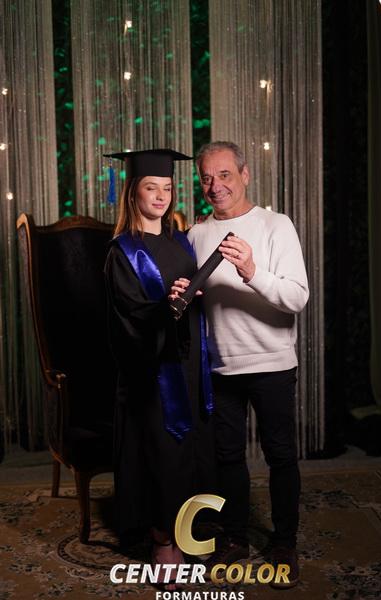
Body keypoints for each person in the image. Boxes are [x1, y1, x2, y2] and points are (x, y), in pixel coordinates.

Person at [173, 141, 309, 588]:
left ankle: (284, 542)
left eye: (225, 175)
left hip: (272, 363)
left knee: (280, 455)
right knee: (227, 457)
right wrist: (182, 293)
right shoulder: (196, 235)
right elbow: (193, 302)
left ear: (245, 175)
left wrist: (252, 272)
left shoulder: (276, 225)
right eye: (207, 178)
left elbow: (297, 298)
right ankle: (234, 538)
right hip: (221, 367)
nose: (216, 186)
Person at [103, 149, 214, 588]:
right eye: (151, 188)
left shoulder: (180, 240)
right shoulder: (122, 251)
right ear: (133, 192)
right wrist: (166, 305)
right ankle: (162, 539)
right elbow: (128, 314)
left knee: (191, 449)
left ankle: (187, 530)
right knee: (161, 452)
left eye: (167, 188)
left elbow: (193, 292)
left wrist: (192, 294)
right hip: (152, 369)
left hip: (189, 360)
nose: (161, 196)